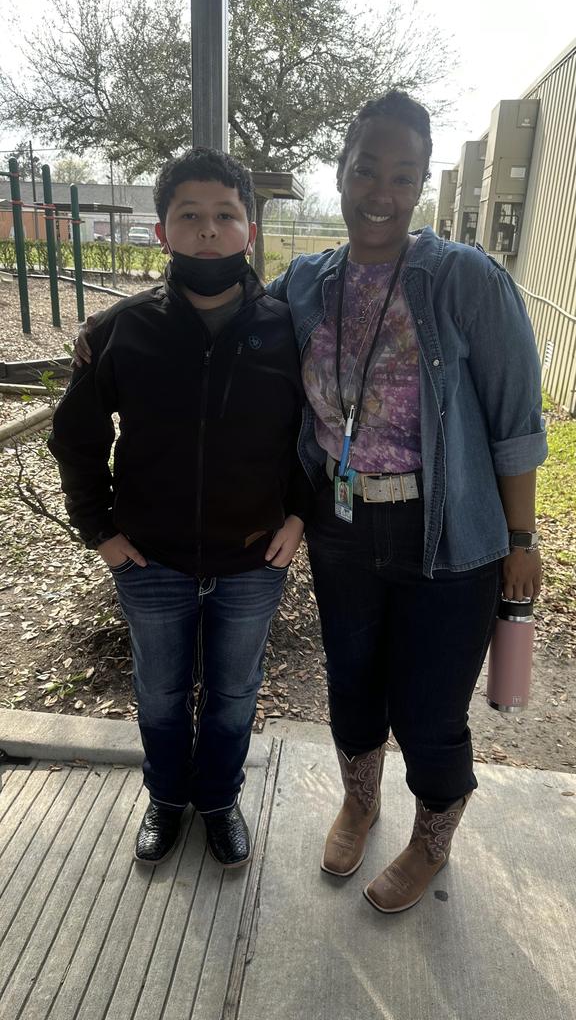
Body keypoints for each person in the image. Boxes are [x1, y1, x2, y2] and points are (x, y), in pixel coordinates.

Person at [74, 92, 547, 914]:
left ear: (421, 183)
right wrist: (106, 329)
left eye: (402, 175)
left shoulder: (466, 280)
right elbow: (226, 310)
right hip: (343, 527)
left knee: (431, 710)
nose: (381, 191)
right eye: (366, 169)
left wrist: (521, 536)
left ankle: (430, 841)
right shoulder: (309, 281)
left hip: (447, 534)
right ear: (341, 171)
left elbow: (516, 423)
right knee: (353, 685)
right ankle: (360, 802)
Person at [50, 147, 310, 870]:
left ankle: (219, 801)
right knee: (161, 694)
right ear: (162, 231)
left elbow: (314, 437)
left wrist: (298, 518)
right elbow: (75, 437)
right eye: (189, 216)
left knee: (234, 693)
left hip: (252, 560)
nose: (209, 230)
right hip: (151, 559)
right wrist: (99, 531)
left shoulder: (287, 331)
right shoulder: (120, 331)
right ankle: (166, 799)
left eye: (226, 215)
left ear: (250, 228)